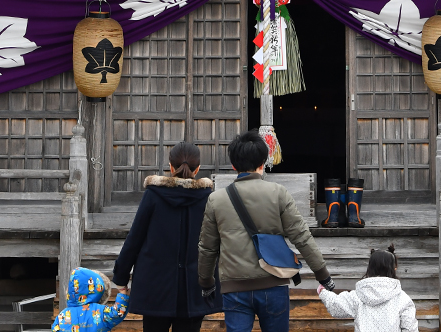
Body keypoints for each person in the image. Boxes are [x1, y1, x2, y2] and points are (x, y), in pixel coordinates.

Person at [197, 129, 335, 332]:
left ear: (234, 165)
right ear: (262, 163)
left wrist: (206, 282)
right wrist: (322, 275)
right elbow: (301, 237)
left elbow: (207, 248)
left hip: (234, 288)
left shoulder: (216, 199)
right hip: (273, 284)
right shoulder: (278, 193)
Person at [112, 142, 221, 332]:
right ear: (198, 169)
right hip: (194, 287)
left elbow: (135, 238)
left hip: (154, 286)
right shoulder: (208, 199)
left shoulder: (153, 195)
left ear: (171, 167)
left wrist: (121, 277)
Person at [317, 245, 418, 332]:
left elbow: (336, 306)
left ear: (370, 268)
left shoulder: (359, 295)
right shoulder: (403, 299)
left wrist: (323, 292)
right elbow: (410, 329)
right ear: (393, 268)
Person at [52, 267, 129, 332]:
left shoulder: (62, 315)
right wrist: (123, 292)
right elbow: (118, 313)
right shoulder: (100, 312)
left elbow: (55, 329)